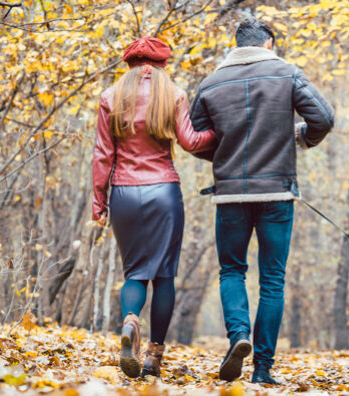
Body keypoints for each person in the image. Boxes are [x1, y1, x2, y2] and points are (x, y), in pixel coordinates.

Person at [190, 18, 335, 384]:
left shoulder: (211, 82)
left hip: (230, 195)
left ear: (236, 44)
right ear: (269, 43)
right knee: (273, 279)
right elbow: (324, 118)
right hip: (276, 194)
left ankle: (239, 336)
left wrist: (226, 157)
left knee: (232, 270)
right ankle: (263, 369)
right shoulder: (286, 72)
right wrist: (298, 137)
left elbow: (196, 137)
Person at [92, 36, 217, 379]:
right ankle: (153, 359)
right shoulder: (173, 94)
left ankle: (131, 320)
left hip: (124, 194)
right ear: (163, 65)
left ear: (129, 65)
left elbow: (104, 154)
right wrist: (221, 134)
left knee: (135, 272)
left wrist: (98, 201)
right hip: (163, 191)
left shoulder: (110, 97)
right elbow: (191, 141)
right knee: (164, 275)